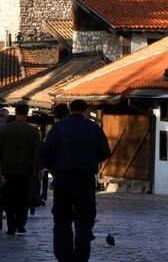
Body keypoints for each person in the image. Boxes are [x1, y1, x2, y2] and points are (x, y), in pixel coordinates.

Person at [40, 99, 111, 261]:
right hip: (85, 179)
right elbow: (105, 152)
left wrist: (53, 165)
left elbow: (44, 151)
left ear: (69, 109)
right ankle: (80, 257)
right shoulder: (93, 128)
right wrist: (92, 160)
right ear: (85, 110)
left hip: (63, 178)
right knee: (84, 220)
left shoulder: (58, 128)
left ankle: (63, 256)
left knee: (62, 219)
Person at [0, 102, 41, 234]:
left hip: (7, 169)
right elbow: (36, 151)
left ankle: (11, 225)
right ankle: (21, 222)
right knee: (23, 197)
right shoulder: (33, 131)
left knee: (9, 197)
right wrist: (40, 168)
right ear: (27, 113)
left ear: (15, 113)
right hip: (25, 169)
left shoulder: (4, 130)